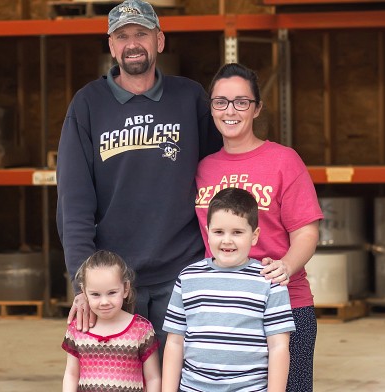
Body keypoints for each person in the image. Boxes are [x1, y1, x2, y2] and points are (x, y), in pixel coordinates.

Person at [55, 0, 222, 355]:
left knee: (180, 378)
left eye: (142, 34)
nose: (133, 43)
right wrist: (84, 284)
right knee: (120, 380)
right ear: (112, 45)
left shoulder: (190, 97)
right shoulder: (87, 105)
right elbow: (74, 202)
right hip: (112, 282)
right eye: (123, 36)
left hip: (182, 272)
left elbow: (219, 178)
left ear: (159, 41)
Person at [195, 63, 324, 392]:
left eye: (241, 101)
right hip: (222, 310)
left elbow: (306, 232)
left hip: (284, 305)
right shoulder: (203, 168)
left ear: (257, 108)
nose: (230, 111)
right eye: (220, 102)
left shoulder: (284, 160)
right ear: (211, 107)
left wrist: (286, 266)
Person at [162, 187, 296, 392]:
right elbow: (175, 343)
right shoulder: (188, 278)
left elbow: (278, 347)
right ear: (207, 233)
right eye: (218, 232)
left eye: (237, 232)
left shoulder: (269, 280)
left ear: (254, 235)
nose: (227, 240)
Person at [62, 249, 161, 392]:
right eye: (95, 294)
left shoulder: (142, 329)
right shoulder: (77, 329)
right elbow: (71, 374)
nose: (104, 302)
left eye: (112, 293)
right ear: (84, 292)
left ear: (125, 289)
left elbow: (153, 378)